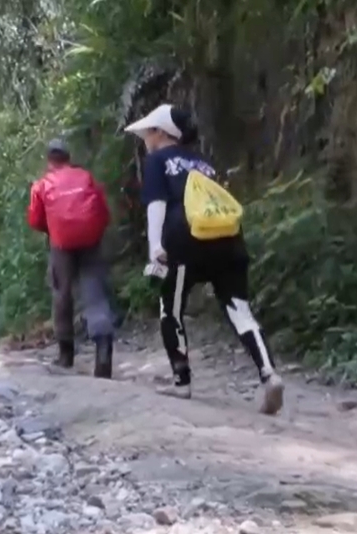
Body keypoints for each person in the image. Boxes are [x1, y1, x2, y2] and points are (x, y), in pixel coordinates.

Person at [123, 104, 286, 415]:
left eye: (148, 133)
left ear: (160, 133)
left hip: (184, 242)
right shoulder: (203, 163)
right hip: (227, 240)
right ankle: (269, 374)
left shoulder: (157, 161)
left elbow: (156, 204)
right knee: (240, 310)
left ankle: (181, 381)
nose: (145, 139)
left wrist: (155, 245)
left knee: (171, 307)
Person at [26, 138, 116, 378]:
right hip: (91, 241)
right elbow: (103, 211)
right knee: (95, 293)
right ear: (68, 157)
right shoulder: (85, 176)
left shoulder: (42, 184)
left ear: (49, 160)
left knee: (62, 293)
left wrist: (55, 229)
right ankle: (103, 354)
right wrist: (94, 232)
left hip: (61, 244)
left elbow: (35, 220)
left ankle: (66, 356)